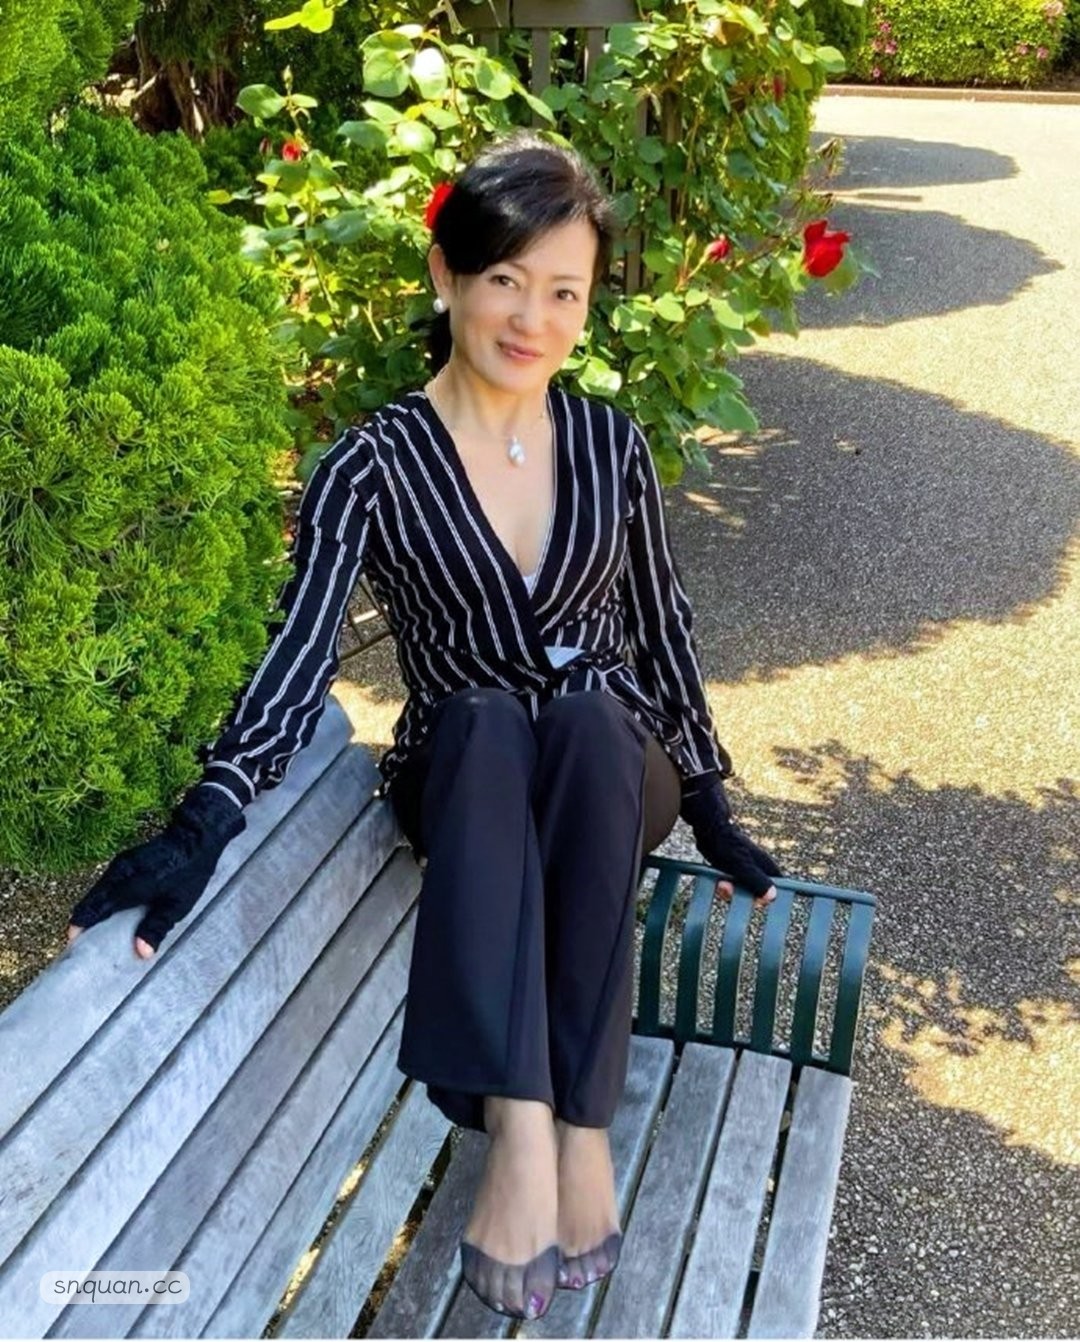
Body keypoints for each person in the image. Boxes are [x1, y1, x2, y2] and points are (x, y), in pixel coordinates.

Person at [66, 130, 782, 1322]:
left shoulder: (611, 445)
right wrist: (205, 819)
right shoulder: (371, 466)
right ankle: (524, 1125)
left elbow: (663, 627)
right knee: (492, 719)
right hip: (465, 772)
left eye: (565, 292)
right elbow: (298, 654)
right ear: (446, 273)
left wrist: (705, 796)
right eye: (505, 279)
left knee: (594, 719)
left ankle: (579, 1128)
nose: (534, 318)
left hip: (610, 771)